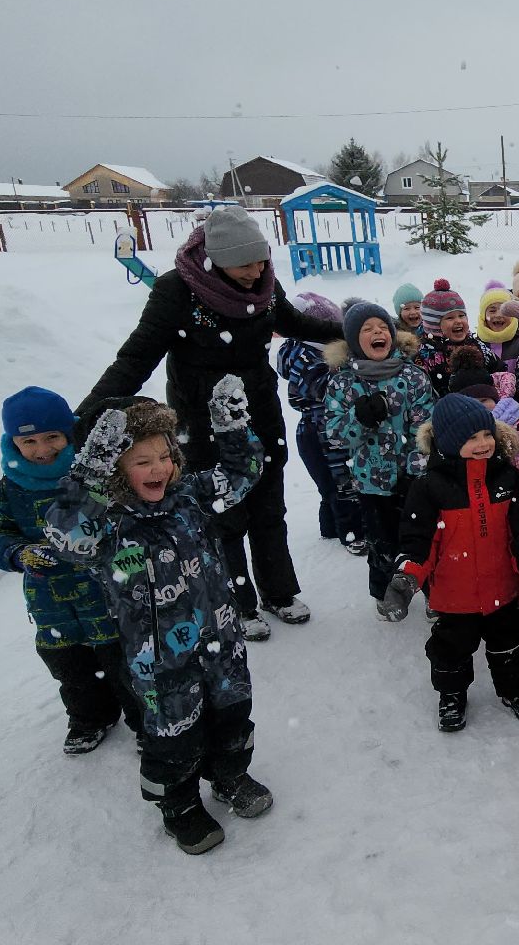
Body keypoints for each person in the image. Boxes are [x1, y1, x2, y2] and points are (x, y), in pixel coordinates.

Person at [78, 205, 338, 629]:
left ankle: (278, 591)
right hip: (200, 420)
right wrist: (89, 412)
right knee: (221, 511)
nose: (256, 271)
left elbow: (295, 322)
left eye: (262, 261)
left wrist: (357, 333)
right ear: (216, 258)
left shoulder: (265, 287)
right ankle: (236, 603)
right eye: (244, 264)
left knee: (269, 506)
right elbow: (137, 356)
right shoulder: (175, 291)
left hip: (258, 411)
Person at [43, 380, 272, 855]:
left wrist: (232, 428)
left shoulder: (189, 498)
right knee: (173, 739)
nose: (159, 469)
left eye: (164, 456)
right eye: (142, 462)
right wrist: (88, 473)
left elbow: (243, 473)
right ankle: (180, 807)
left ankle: (231, 774)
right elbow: (66, 537)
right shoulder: (106, 524)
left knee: (232, 714)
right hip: (159, 662)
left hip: (220, 641)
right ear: (115, 472)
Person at [379, 394, 519, 732]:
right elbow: (418, 542)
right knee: (451, 649)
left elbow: (518, 534)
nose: (483, 444)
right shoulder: (429, 487)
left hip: (501, 589)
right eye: (471, 438)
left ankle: (516, 689)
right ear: (448, 442)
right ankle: (451, 694)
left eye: (487, 434)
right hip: (453, 595)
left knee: (510, 643)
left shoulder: (506, 477)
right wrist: (406, 580)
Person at [0, 386, 141, 755]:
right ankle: (90, 719)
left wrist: (123, 565)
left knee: (124, 666)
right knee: (71, 670)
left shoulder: (96, 477)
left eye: (52, 436)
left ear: (70, 433)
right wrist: (19, 552)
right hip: (51, 602)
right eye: (28, 441)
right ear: (13, 443)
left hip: (106, 595)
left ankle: (144, 722)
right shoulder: (11, 487)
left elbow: (130, 524)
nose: (42, 449)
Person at [322, 301, 437, 616]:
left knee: (423, 539)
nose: (377, 333)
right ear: (354, 339)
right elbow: (333, 433)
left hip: (413, 481)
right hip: (371, 482)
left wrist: (414, 473)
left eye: (383, 327)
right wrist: (359, 418)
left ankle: (433, 592)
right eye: (368, 329)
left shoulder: (413, 376)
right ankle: (386, 595)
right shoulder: (343, 382)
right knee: (382, 543)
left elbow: (425, 429)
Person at [277, 291, 367, 557]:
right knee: (338, 483)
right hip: (316, 431)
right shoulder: (301, 356)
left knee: (340, 480)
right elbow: (323, 387)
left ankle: (330, 526)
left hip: (334, 427)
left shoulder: (323, 350)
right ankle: (352, 533)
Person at [414, 279, 498, 397]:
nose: (458, 321)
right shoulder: (425, 354)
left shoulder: (477, 346)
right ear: (434, 326)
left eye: (461, 315)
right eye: (450, 318)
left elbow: (497, 369)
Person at [477, 282, 519, 369]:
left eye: (504, 310)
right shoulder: (476, 346)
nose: (498, 315)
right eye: (492, 311)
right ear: (484, 316)